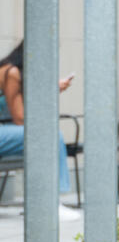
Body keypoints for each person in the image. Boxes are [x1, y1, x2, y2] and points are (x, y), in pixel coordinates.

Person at [0, 40, 73, 194]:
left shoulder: (16, 72)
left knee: (45, 136)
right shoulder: (11, 72)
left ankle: (42, 198)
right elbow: (19, 118)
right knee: (51, 136)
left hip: (5, 129)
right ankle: (54, 199)